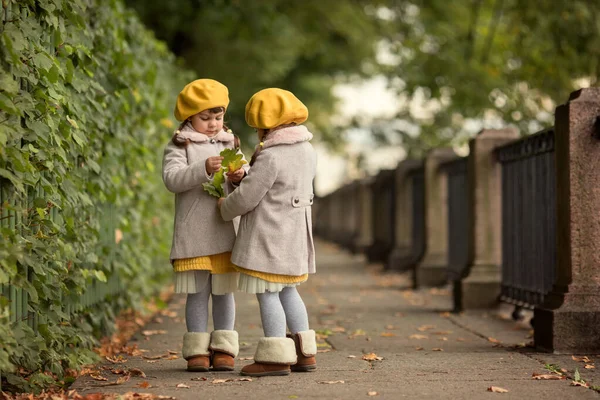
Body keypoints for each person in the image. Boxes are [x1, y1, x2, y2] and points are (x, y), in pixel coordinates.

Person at [218, 88, 317, 377]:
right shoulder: (307, 150)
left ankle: (275, 357)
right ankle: (304, 352)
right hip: (294, 234)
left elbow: (250, 197)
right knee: (289, 290)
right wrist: (248, 174)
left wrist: (224, 207)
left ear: (267, 125)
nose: (258, 133)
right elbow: (281, 187)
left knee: (267, 292)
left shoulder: (272, 155)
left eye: (258, 127)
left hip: (269, 235)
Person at [162, 79, 246, 372]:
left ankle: (224, 348)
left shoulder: (230, 141)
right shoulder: (179, 143)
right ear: (189, 117)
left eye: (218, 117)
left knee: (224, 291)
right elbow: (172, 180)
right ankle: (196, 349)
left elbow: (243, 172)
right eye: (205, 118)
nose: (213, 124)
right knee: (197, 292)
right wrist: (201, 169)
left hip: (223, 228)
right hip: (194, 229)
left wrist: (238, 177)